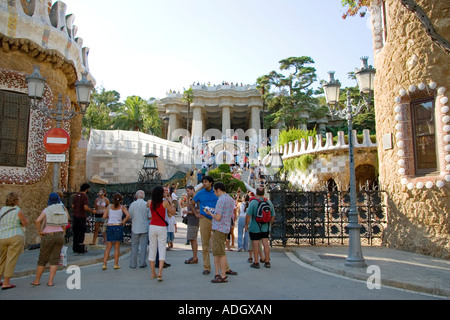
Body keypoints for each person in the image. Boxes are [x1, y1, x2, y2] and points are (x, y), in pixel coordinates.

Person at [31, 193, 68, 287]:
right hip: (59, 234)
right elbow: (65, 222)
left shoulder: (47, 210)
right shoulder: (62, 209)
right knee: (54, 260)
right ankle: (50, 281)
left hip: (48, 235)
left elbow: (37, 221)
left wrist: (40, 231)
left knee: (42, 259)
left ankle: (37, 280)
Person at [205, 182, 237, 283]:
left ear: (218, 190)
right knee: (219, 252)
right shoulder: (230, 199)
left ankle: (222, 275)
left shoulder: (221, 200)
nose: (214, 193)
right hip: (226, 227)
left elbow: (218, 217)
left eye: (214, 191)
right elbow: (223, 213)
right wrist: (213, 210)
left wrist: (210, 212)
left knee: (219, 253)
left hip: (219, 228)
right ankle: (219, 273)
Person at [0, 192, 28, 290]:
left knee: (2, 258)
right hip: (15, 236)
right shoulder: (17, 211)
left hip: (2, 236)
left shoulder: (2, 210)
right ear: (16, 200)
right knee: (11, 259)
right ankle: (6, 282)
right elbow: (24, 223)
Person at [148, 186, 176, 281]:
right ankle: (160, 272)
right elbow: (173, 211)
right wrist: (170, 202)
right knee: (161, 248)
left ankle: (152, 272)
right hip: (161, 227)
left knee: (152, 248)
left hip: (152, 226)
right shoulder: (164, 203)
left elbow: (147, 206)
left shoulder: (150, 202)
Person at [245, 187, 275, 269]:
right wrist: (270, 224)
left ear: (256, 193)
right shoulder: (268, 202)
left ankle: (256, 262)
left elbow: (248, 215)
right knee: (265, 243)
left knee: (255, 243)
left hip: (255, 226)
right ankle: (267, 261)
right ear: (264, 193)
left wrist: (246, 225)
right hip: (265, 226)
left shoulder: (253, 202)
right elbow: (272, 215)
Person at [102, 193, 130, 270]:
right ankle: (116, 264)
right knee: (117, 247)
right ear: (120, 200)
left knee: (108, 246)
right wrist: (123, 221)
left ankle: (104, 264)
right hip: (118, 225)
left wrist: (110, 216)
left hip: (110, 226)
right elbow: (128, 215)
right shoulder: (122, 207)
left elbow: (104, 216)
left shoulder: (109, 207)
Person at [128, 190, 150, 268]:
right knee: (143, 246)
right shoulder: (146, 205)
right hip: (144, 227)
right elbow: (149, 216)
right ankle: (142, 262)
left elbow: (129, 215)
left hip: (135, 227)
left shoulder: (132, 205)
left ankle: (133, 264)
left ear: (136, 196)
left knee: (134, 246)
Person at [71, 183, 96, 254]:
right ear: (87, 189)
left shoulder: (76, 196)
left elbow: (73, 206)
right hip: (81, 217)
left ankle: (75, 248)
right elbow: (85, 207)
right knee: (81, 233)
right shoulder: (85, 196)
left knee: (75, 233)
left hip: (75, 216)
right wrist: (92, 210)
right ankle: (80, 249)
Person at [183, 186, 200, 264]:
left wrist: (188, 212)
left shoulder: (196, 199)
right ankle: (194, 256)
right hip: (191, 220)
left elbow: (197, 210)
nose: (187, 193)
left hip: (194, 221)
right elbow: (188, 207)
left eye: (188, 191)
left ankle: (195, 257)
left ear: (193, 190)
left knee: (193, 239)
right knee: (192, 239)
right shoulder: (191, 199)